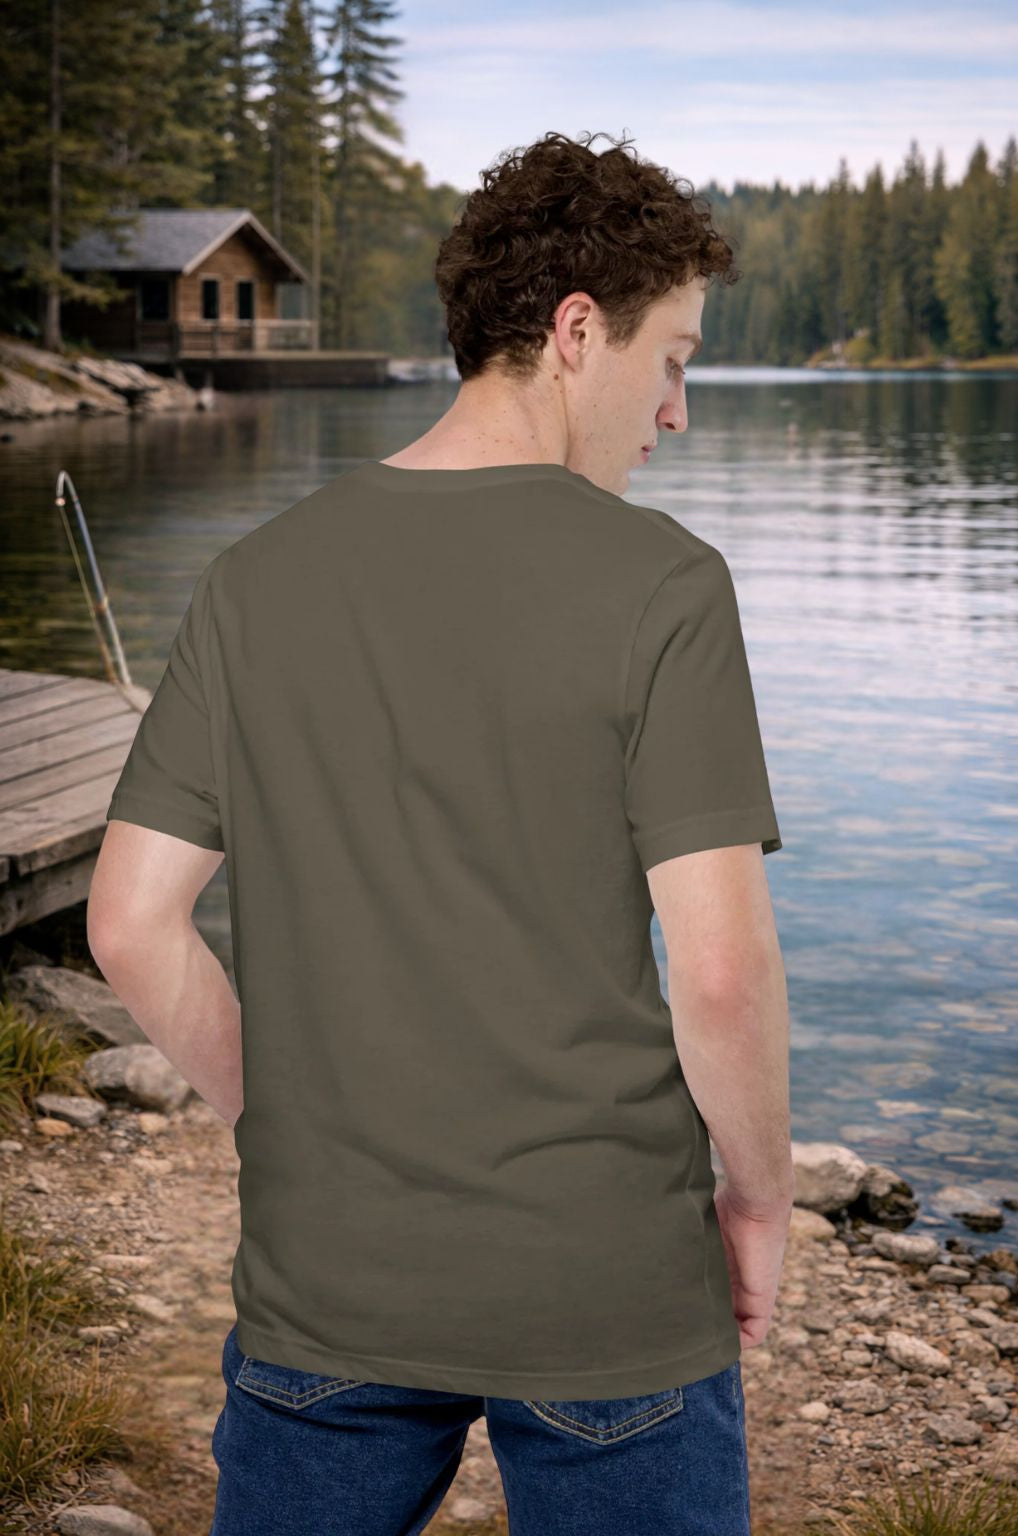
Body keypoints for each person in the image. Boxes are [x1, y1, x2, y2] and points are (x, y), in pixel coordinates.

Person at [87, 128, 794, 1536]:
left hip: (325, 1284)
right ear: (578, 333)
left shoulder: (255, 581)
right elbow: (718, 975)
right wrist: (761, 1204)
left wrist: (274, 1125)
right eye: (674, 359)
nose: (677, 412)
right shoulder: (664, 587)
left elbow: (127, 924)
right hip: (605, 1287)